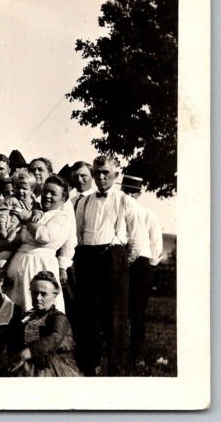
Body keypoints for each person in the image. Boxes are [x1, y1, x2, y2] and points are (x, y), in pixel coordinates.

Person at [74, 155, 146, 376]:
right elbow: (78, 233)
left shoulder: (126, 201)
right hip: (88, 256)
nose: (101, 177)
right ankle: (89, 364)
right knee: (87, 315)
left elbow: (137, 239)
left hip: (114, 259)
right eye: (97, 172)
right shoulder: (83, 201)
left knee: (115, 316)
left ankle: (115, 367)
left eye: (106, 172)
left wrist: (122, 262)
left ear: (116, 174)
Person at [4, 175, 71, 313]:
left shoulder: (61, 217)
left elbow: (44, 236)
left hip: (39, 264)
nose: (47, 195)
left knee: (35, 304)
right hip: (19, 263)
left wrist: (27, 220)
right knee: (14, 308)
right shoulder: (36, 212)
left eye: (53, 193)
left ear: (63, 199)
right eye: (45, 191)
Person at [120, 174, 163, 363]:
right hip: (121, 260)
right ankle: (116, 350)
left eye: (132, 192)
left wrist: (148, 264)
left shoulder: (148, 214)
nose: (129, 195)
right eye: (126, 191)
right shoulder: (119, 211)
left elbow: (156, 244)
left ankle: (137, 354)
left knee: (137, 311)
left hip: (140, 263)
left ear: (139, 193)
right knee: (119, 308)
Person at [7, 271, 81, 377]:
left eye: (43, 294)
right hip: (23, 365)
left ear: (54, 296)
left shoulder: (58, 317)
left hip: (51, 366)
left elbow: (54, 338)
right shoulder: (26, 316)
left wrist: (27, 352)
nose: (38, 298)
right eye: (35, 292)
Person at [0, 168, 38, 266]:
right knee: (4, 255)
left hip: (27, 235)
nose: (21, 191)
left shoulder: (34, 201)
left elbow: (37, 209)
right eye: (17, 187)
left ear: (32, 189)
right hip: (13, 232)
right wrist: (2, 228)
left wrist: (37, 213)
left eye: (24, 189)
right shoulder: (11, 200)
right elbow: (2, 213)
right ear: (13, 187)